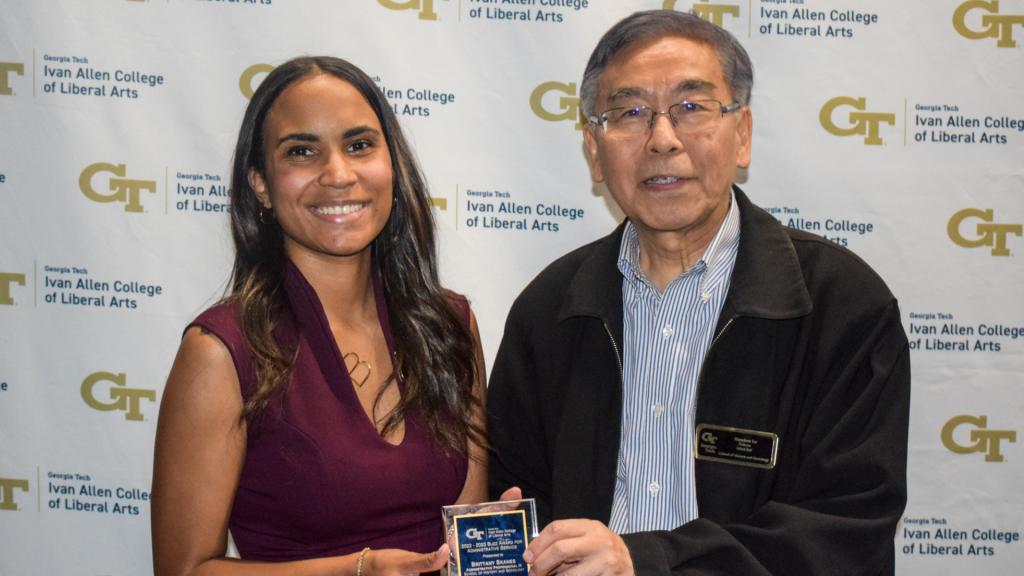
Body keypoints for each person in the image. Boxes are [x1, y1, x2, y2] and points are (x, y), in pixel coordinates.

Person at [487, 10, 910, 576]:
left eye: (692, 108)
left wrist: (644, 562)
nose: (662, 139)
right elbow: (516, 495)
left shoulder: (840, 304)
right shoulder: (550, 310)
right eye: (630, 112)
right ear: (594, 149)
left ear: (743, 136)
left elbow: (846, 531)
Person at [152, 56, 488, 576]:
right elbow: (184, 569)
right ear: (260, 184)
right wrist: (355, 570)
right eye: (302, 152)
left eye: (359, 146)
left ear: (392, 165)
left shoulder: (449, 325)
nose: (338, 174)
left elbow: (464, 523)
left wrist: (496, 543)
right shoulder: (221, 351)